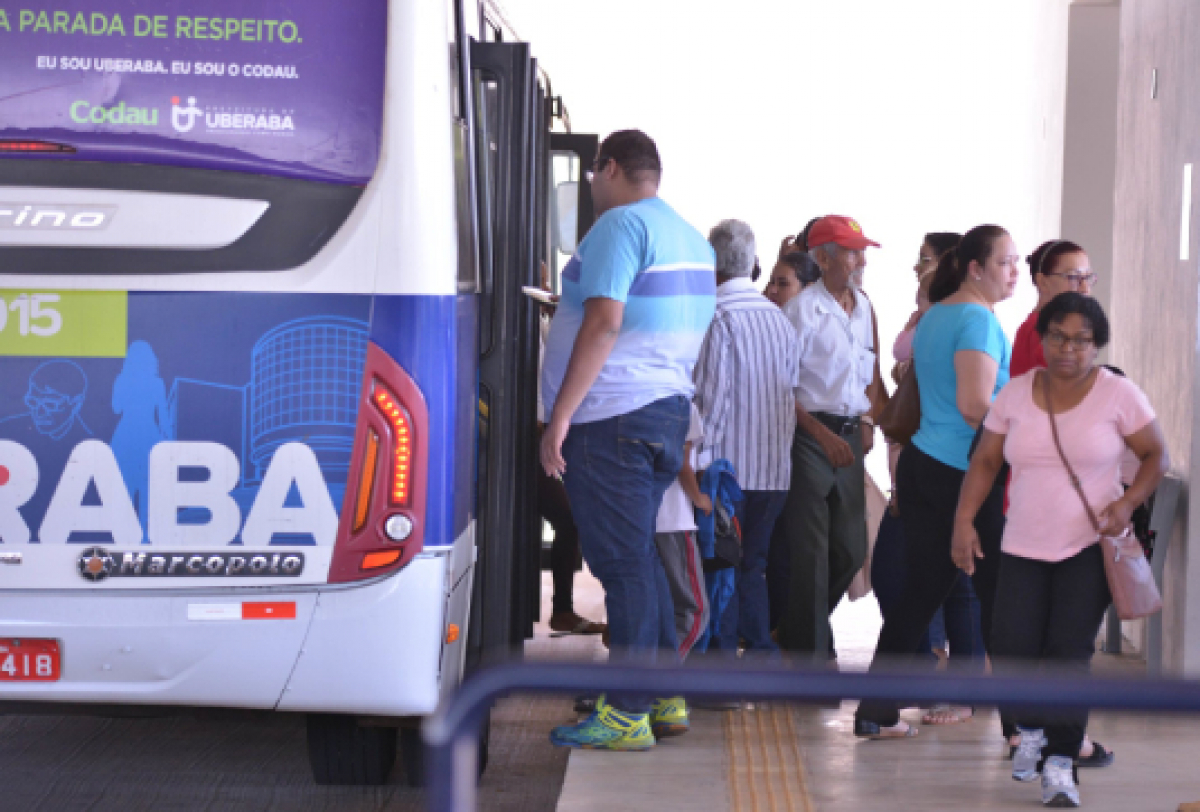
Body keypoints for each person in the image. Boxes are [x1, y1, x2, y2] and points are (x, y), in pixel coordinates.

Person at [953, 292, 1167, 807]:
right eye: (1058, 336)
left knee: (1068, 656)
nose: (1068, 348)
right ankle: (1029, 730)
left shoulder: (1119, 395)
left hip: (1088, 547)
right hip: (1023, 543)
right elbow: (985, 460)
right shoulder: (1017, 394)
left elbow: (1154, 454)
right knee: (1011, 647)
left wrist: (1129, 500)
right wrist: (963, 522)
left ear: (1097, 345)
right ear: (1042, 338)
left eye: (1082, 340)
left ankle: (1061, 765)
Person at [540, 130, 716, 751]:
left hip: (611, 417)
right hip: (663, 412)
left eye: (593, 174)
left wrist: (560, 415)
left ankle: (627, 711)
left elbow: (605, 319)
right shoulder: (691, 238)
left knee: (623, 567)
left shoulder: (619, 226)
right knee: (639, 557)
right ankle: (662, 696)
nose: (591, 186)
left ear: (609, 167)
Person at [853, 224, 1019, 738]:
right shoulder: (975, 319)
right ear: (975, 267)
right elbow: (974, 406)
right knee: (996, 599)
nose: (1015, 272)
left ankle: (874, 711)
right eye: (1005, 262)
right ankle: (1023, 728)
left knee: (923, 592)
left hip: (927, 464)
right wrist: (1029, 437)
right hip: (962, 472)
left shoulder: (936, 315)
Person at [771, 215, 883, 662]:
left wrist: (869, 423)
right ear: (822, 258)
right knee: (813, 552)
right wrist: (821, 435)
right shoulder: (800, 312)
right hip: (810, 435)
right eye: (851, 252)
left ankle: (798, 630)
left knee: (852, 547)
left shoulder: (865, 306)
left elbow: (869, 374)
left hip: (850, 434)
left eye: (862, 251)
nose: (861, 261)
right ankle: (814, 665)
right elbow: (780, 388)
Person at [693, 219, 799, 659]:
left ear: (711, 264)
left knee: (719, 566)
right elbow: (791, 391)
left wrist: (696, 463)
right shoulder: (780, 320)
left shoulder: (717, 317)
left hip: (727, 471)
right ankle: (759, 656)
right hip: (773, 470)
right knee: (752, 565)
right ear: (753, 264)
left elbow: (711, 401)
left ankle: (720, 666)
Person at [652, 402, 712, 665]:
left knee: (652, 609)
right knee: (693, 610)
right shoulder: (681, 404)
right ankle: (652, 681)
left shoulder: (630, 398)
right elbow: (682, 462)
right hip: (673, 519)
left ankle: (626, 685)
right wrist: (699, 498)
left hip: (638, 518)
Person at [1011, 240, 1094, 377]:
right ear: (1042, 282)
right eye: (1073, 277)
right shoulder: (1043, 332)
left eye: (1088, 277)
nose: (1085, 288)